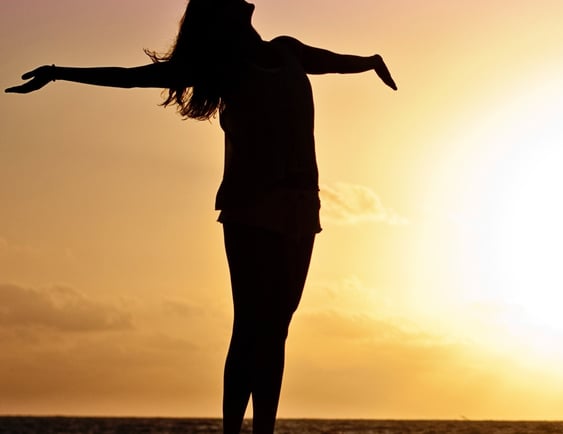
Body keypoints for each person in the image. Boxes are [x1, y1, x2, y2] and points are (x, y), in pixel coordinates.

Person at [5, 1, 397, 433]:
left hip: (303, 205)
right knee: (249, 325)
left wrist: (370, 62)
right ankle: (232, 430)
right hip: (250, 205)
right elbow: (135, 78)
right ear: (219, 15)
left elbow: (333, 64)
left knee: (277, 329)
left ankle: (264, 429)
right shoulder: (220, 66)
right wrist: (59, 72)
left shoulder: (288, 50)